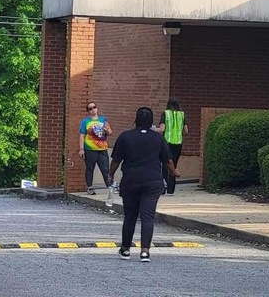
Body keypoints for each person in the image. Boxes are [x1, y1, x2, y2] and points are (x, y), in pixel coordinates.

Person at [109, 107, 178, 262]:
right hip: (153, 181)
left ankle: (125, 249)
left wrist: (110, 174)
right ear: (152, 121)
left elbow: (116, 160)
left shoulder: (125, 137)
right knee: (148, 217)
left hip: (131, 181)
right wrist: (175, 172)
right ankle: (145, 252)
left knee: (130, 216)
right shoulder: (158, 138)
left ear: (136, 120)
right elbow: (167, 160)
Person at [78, 101, 112, 195]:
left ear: (97, 108)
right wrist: (81, 149)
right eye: (90, 108)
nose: (93, 110)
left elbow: (109, 132)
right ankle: (90, 187)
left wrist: (107, 130)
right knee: (90, 168)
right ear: (88, 111)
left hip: (102, 148)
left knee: (105, 168)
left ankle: (109, 186)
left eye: (94, 107)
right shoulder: (85, 122)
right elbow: (82, 135)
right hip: (90, 148)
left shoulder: (103, 120)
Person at [158, 98, 188, 195]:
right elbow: (186, 131)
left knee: (165, 165)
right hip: (178, 144)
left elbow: (162, 129)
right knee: (173, 165)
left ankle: (162, 188)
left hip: (167, 143)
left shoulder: (165, 114)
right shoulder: (182, 115)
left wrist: (154, 129)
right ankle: (171, 189)